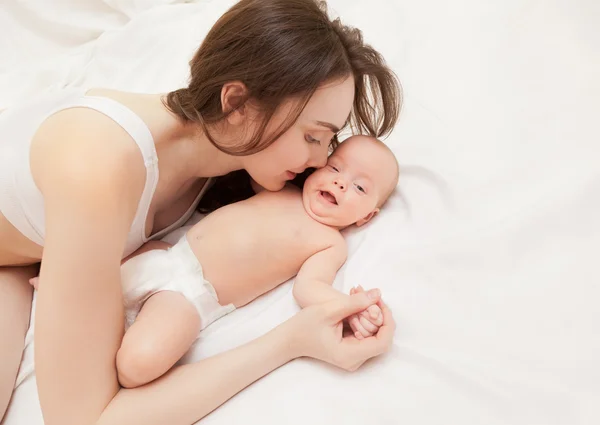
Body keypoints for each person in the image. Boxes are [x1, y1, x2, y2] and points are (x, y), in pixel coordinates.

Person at [0, 0, 401, 424]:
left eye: (330, 142)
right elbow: (81, 420)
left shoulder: (224, 157)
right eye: (312, 136)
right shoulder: (99, 167)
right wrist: (291, 342)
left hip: (20, 257)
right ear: (237, 102)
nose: (321, 162)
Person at [44, 135, 396, 389]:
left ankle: (115, 341)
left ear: (367, 217)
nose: (339, 181)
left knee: (137, 366)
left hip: (192, 297)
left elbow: (310, 288)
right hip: (165, 254)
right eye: (335, 166)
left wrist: (350, 307)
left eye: (360, 188)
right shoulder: (279, 188)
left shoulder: (329, 243)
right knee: (76, 278)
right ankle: (52, 287)